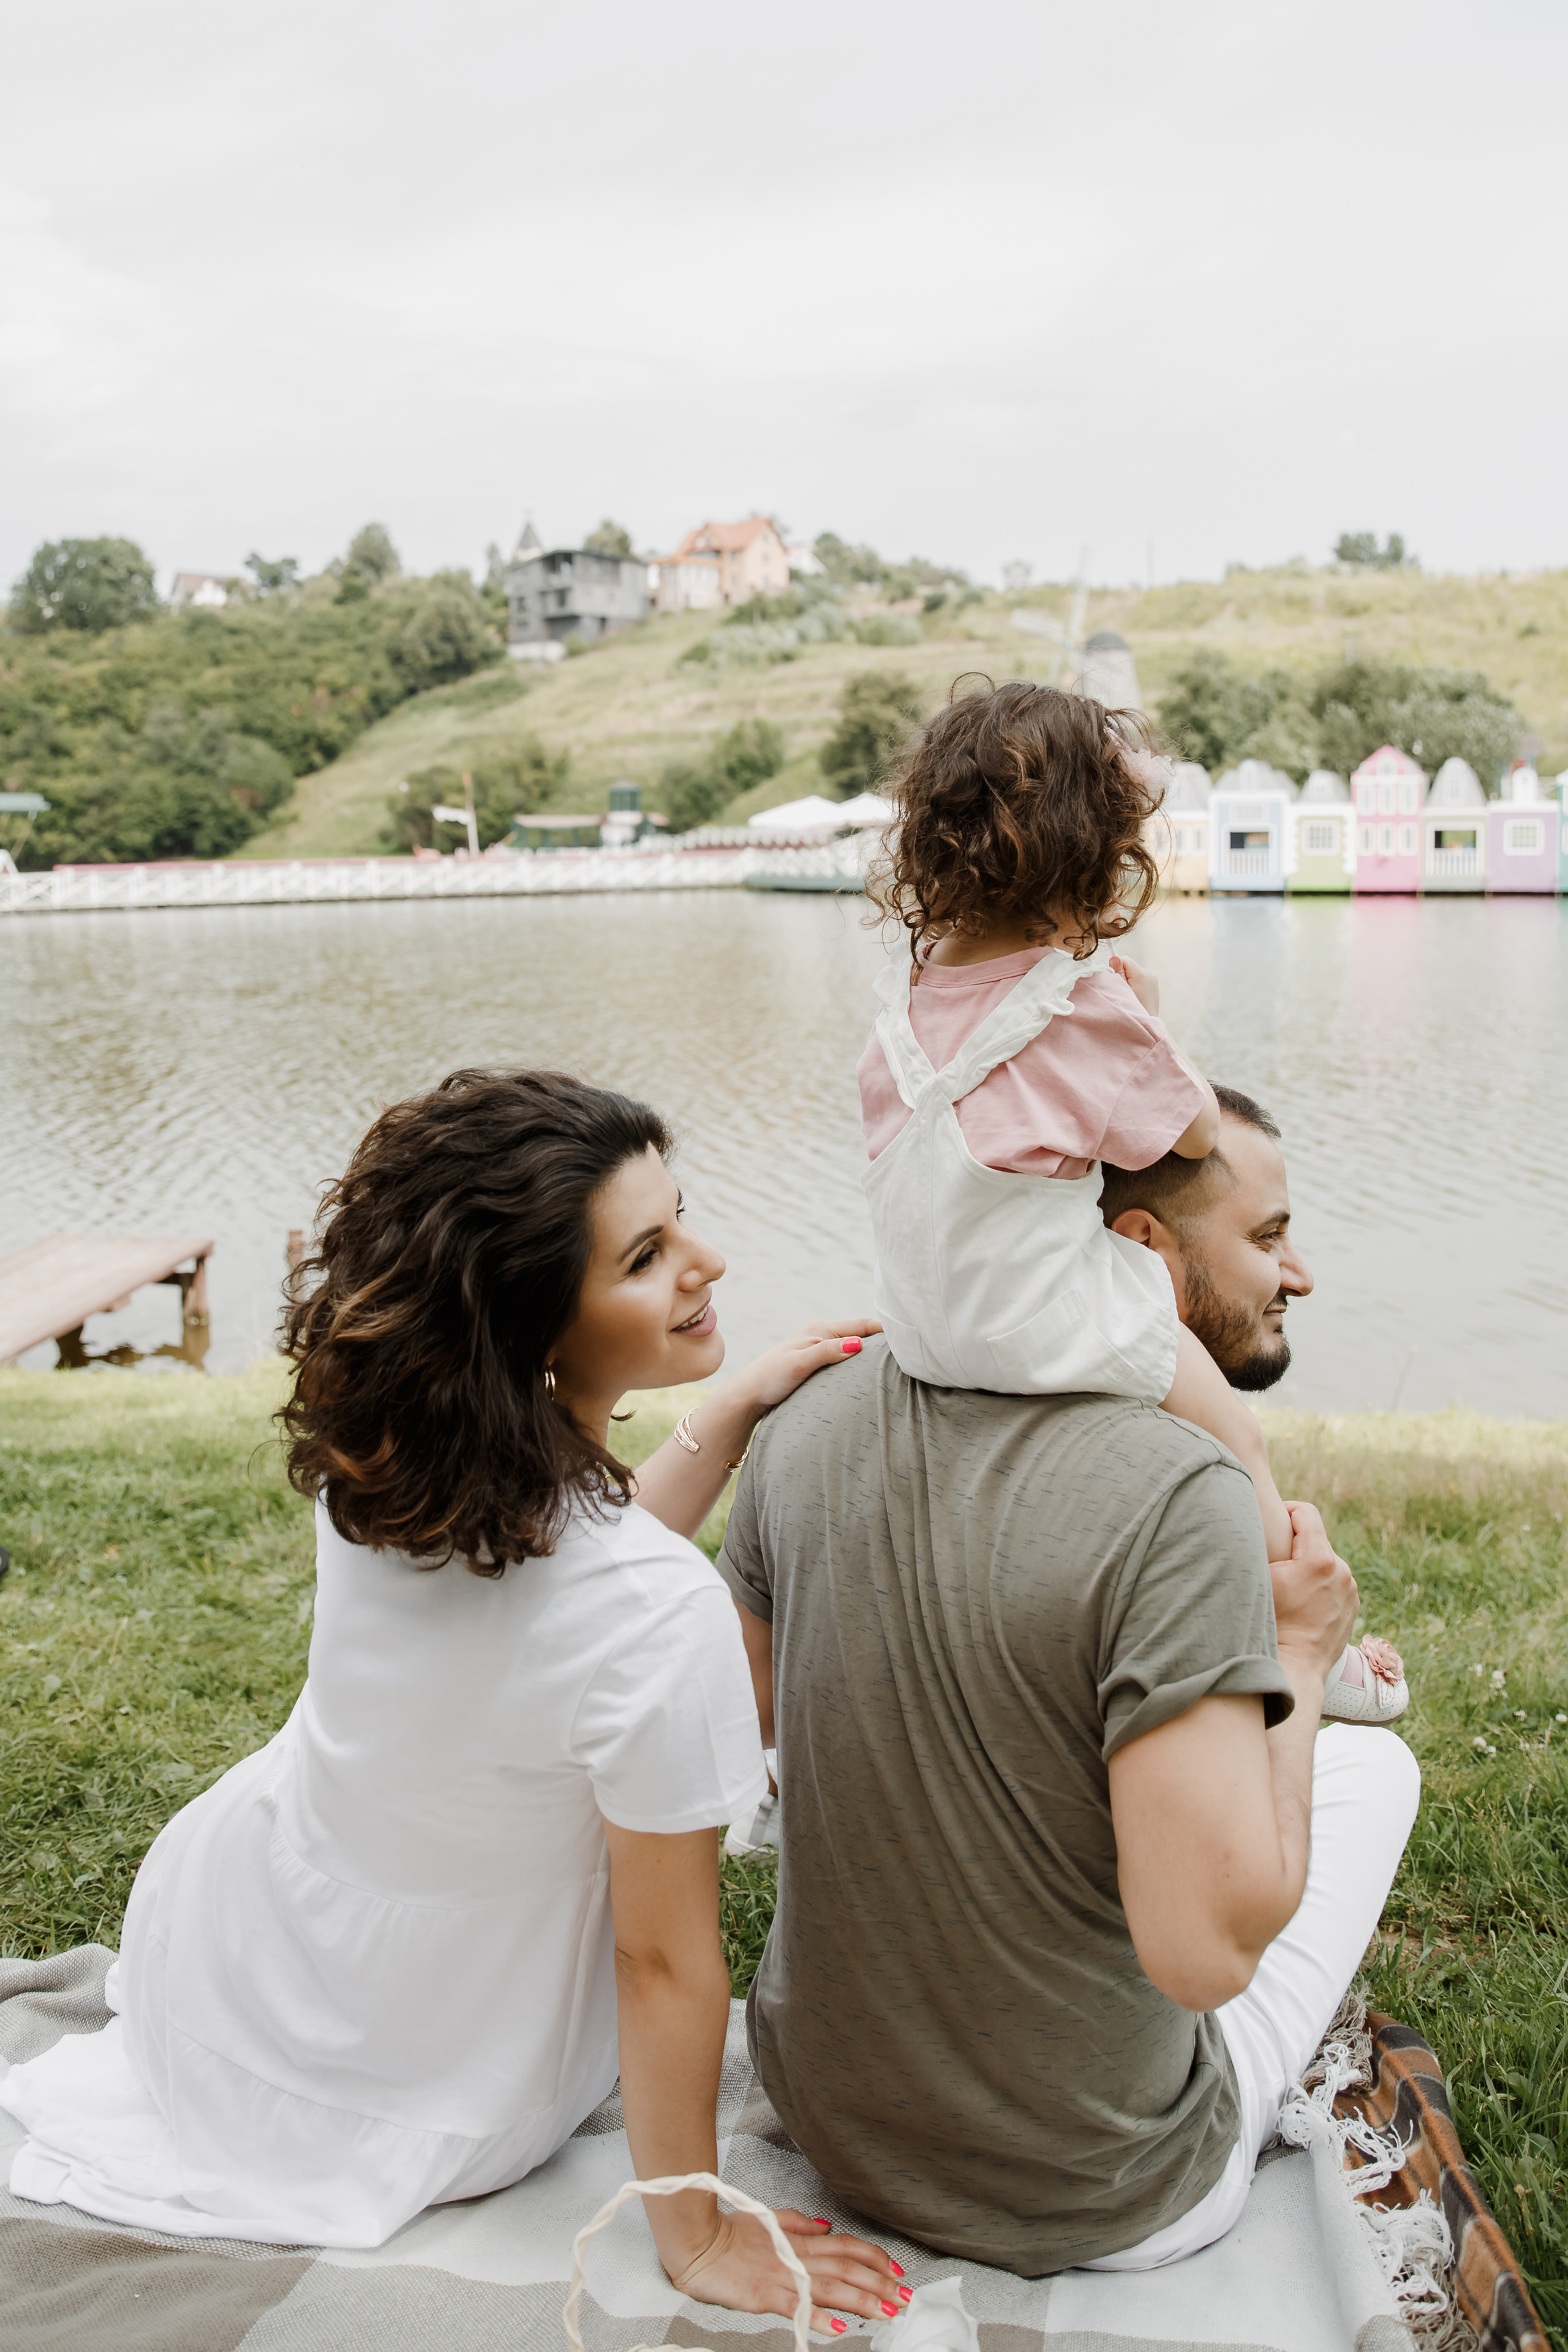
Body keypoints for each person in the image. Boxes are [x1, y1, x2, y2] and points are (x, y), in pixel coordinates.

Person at [1, 1070, 901, 2334]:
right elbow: (658, 1960)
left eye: (678, 1218)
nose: (707, 1259)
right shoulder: (649, 1613)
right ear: (535, 1330)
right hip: (430, 2086)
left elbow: (561, 1611)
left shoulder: (389, 1465)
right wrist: (690, 2232)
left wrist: (724, 1413)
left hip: (214, 1973)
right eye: (646, 1255)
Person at [715, 1077, 1421, 2275]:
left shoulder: (806, 1422)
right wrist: (1298, 1662)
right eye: (1264, 1239)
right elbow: (1201, 1962)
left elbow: (738, 1753)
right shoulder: (1176, 1493)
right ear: (1136, 1248)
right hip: (1105, 2192)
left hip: (834, 2126)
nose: (1296, 1274)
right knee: (1370, 1765)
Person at [858, 676, 1403, 1722]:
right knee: (1235, 1442)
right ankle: (1303, 1640)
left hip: (929, 1328)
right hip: (1041, 1317)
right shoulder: (1083, 1007)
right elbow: (1190, 1134)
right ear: (1096, 853)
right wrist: (1149, 1021)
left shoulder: (903, 999)